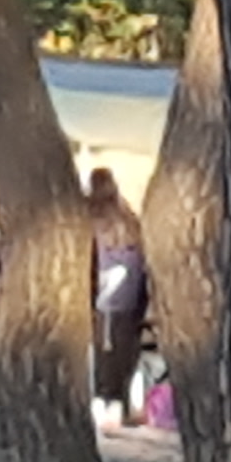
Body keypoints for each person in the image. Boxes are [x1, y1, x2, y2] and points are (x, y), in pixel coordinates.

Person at [85, 167, 150, 421]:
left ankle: (105, 400)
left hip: (102, 295)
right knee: (124, 350)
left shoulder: (89, 217)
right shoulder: (129, 218)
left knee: (102, 353)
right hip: (131, 296)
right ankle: (120, 401)